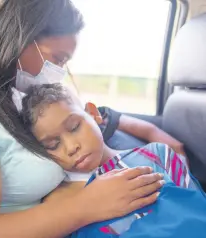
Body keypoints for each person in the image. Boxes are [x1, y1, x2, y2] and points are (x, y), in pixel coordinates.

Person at [0, 1, 176, 237]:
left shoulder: (12, 92)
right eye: (57, 58)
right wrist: (85, 205)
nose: (57, 72)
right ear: (21, 36)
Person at [21, 83, 197, 236]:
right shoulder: (61, 200)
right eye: (52, 145)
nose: (71, 147)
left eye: (74, 127)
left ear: (93, 113)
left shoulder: (158, 155)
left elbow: (197, 208)